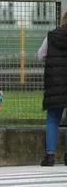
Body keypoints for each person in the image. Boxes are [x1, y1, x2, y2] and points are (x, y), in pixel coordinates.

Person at [37, 11, 67, 166]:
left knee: (53, 119)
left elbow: (41, 55)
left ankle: (49, 156)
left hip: (55, 83)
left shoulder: (51, 37)